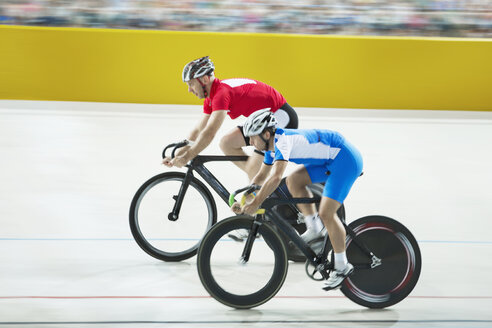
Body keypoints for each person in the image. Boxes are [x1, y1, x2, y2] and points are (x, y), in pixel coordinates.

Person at [231, 109, 363, 291]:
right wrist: (245, 198)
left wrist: (256, 203)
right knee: (294, 181)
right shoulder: (270, 147)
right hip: (328, 159)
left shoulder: (282, 142)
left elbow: (276, 178)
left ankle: (342, 266)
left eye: (252, 138)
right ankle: (314, 228)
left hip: (344, 160)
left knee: (327, 213)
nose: (250, 143)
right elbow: (261, 176)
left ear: (266, 134)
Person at [162, 56, 298, 180]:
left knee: (254, 171)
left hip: (281, 117)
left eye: (191, 84)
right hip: (263, 122)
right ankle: (264, 182)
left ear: (204, 80)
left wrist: (187, 157)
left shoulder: (221, 94)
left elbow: (209, 132)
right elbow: (198, 130)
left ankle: (265, 193)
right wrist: (177, 155)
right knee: (227, 143)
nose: (189, 90)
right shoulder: (212, 96)